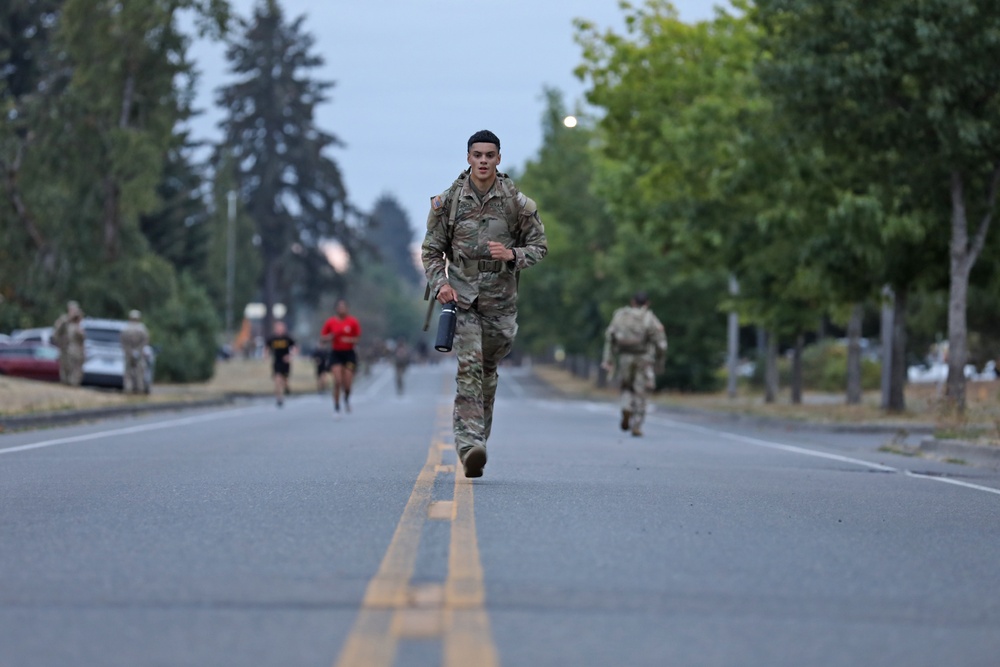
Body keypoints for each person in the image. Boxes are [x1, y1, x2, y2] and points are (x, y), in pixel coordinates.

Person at [421, 129, 548, 478]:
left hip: (500, 301)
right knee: (470, 369)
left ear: (498, 159)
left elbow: (540, 246)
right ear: (468, 158)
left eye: (489, 155)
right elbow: (431, 251)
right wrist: (441, 283)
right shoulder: (448, 202)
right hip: (461, 297)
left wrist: (512, 254)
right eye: (477, 155)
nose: (483, 161)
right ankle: (469, 445)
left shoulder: (515, 202)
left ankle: (479, 439)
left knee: (488, 372)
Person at [601, 291, 668, 437]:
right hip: (644, 359)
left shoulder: (620, 315)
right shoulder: (649, 318)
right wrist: (660, 361)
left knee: (626, 386)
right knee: (642, 390)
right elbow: (661, 344)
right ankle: (636, 424)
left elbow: (610, 337)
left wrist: (608, 359)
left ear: (633, 302)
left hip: (625, 358)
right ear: (647, 303)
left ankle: (626, 407)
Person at [320, 299, 361, 413]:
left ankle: (346, 397)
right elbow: (322, 338)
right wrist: (330, 337)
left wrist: (349, 339)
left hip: (349, 353)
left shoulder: (352, 322)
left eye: (344, 307)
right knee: (337, 380)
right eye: (339, 307)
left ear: (347, 309)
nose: (341, 309)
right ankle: (336, 405)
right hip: (336, 353)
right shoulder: (331, 322)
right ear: (336, 309)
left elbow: (357, 338)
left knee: (347, 382)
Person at [52, 300, 86, 386]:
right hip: (64, 348)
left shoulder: (77, 325)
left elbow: (82, 338)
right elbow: (57, 332)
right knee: (65, 368)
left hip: (73, 350)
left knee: (74, 369)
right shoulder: (64, 320)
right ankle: (66, 383)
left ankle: (72, 384)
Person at [265, 321, 296, 407]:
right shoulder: (272, 338)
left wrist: (290, 356)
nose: (279, 330)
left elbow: (294, 347)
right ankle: (279, 398)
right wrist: (266, 355)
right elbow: (267, 347)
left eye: (281, 328)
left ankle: (287, 387)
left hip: (285, 362)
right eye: (277, 328)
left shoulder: (287, 338)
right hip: (277, 361)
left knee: (285, 380)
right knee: (277, 380)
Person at [120, 310, 150, 394]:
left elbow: (123, 342)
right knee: (139, 372)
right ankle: (139, 389)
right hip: (139, 353)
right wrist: (138, 350)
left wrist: (128, 351)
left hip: (128, 353)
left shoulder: (125, 329)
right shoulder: (142, 329)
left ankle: (128, 388)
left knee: (128, 372)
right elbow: (145, 341)